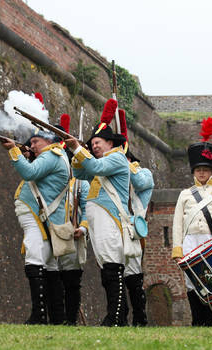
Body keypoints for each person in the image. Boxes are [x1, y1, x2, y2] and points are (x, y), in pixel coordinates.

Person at [65, 98, 130, 327]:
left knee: (112, 267)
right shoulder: (102, 160)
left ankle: (116, 316)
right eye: (91, 143)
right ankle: (118, 316)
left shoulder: (117, 157)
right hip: (99, 219)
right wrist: (77, 153)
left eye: (98, 142)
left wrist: (77, 149)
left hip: (110, 218)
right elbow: (81, 173)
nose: (94, 146)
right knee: (107, 269)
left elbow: (93, 167)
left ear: (111, 142)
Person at [171, 118, 212, 327]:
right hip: (190, 241)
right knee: (192, 283)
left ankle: (211, 320)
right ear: (193, 171)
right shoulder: (185, 194)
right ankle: (196, 320)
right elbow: (177, 224)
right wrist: (178, 247)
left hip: (211, 239)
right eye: (198, 169)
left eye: (206, 169)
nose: (201, 173)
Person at [3, 124, 70, 325]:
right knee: (49, 264)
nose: (31, 145)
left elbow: (30, 173)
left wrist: (14, 151)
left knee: (34, 258)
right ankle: (57, 317)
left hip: (36, 215)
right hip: (42, 215)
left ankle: (39, 315)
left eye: (35, 142)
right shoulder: (54, 156)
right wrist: (27, 154)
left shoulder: (51, 155)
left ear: (48, 141)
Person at [54, 114, 91, 326]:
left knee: (72, 283)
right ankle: (58, 318)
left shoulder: (80, 184)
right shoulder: (52, 182)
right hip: (54, 234)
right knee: (53, 280)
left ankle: (70, 320)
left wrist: (83, 229)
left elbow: (86, 210)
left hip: (74, 236)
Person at [119, 109, 154, 327]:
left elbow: (141, 183)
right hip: (116, 228)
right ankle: (119, 317)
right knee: (116, 276)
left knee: (133, 275)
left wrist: (125, 165)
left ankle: (140, 318)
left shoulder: (143, 173)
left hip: (133, 230)